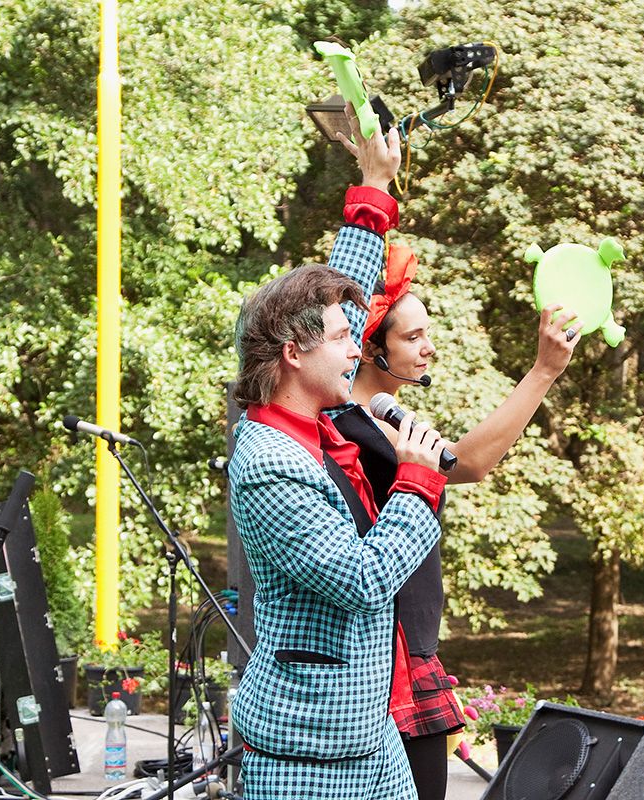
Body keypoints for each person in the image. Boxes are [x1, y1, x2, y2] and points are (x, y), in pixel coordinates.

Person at [330, 104, 582, 800]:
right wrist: (542, 372)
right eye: (412, 337)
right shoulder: (353, 426)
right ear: (369, 345)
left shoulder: (383, 417)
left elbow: (463, 464)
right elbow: (467, 464)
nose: (429, 348)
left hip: (405, 652)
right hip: (381, 667)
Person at [228, 123, 447, 799]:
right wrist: (416, 485)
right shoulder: (269, 462)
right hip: (309, 753)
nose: (358, 350)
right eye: (344, 338)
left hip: (369, 734)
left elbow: (341, 287)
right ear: (293, 353)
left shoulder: (312, 413)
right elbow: (360, 579)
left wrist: (374, 186)